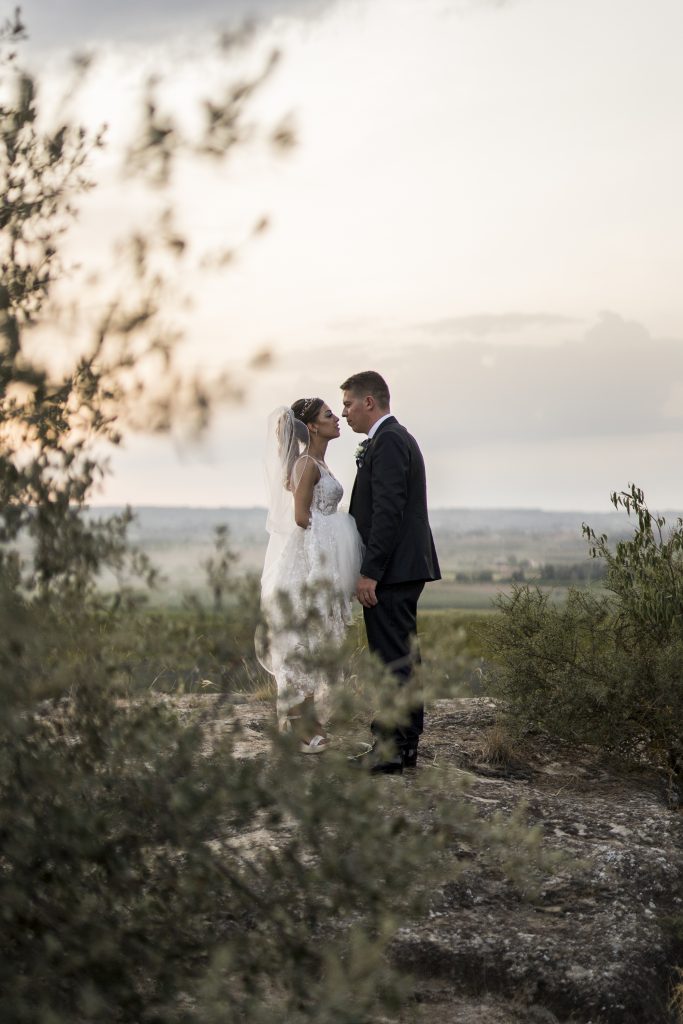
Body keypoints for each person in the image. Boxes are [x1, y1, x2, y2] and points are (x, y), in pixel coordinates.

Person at [341, 371, 441, 774]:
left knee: (392, 661)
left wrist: (370, 572)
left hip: (393, 571)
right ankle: (403, 746)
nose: (345, 412)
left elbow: (387, 512)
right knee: (400, 657)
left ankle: (393, 749)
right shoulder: (389, 440)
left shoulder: (389, 442)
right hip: (399, 569)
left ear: (370, 402)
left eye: (348, 403)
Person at [258, 398, 364, 753]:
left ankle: (310, 722)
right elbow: (303, 518)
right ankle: (301, 730)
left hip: (319, 560)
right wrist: (335, 536)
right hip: (305, 566)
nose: (338, 419)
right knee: (302, 643)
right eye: (329, 415)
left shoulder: (318, 462)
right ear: (312, 427)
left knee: (316, 643)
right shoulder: (305, 464)